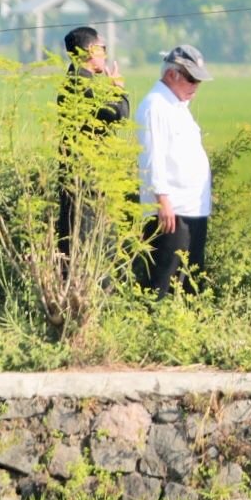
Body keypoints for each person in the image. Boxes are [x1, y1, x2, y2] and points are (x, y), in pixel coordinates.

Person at [135, 45, 213, 297]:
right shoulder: (155, 105)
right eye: (191, 78)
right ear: (171, 74)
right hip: (171, 210)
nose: (195, 86)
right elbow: (151, 155)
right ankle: (152, 329)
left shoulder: (179, 107)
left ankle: (187, 331)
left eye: (198, 80)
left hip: (193, 208)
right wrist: (162, 199)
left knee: (190, 280)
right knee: (162, 278)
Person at [56, 26, 129, 263]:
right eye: (102, 48)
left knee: (77, 242)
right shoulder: (83, 86)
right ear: (90, 50)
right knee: (86, 244)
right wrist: (118, 89)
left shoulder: (74, 80)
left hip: (79, 176)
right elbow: (119, 114)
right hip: (86, 179)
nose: (105, 55)